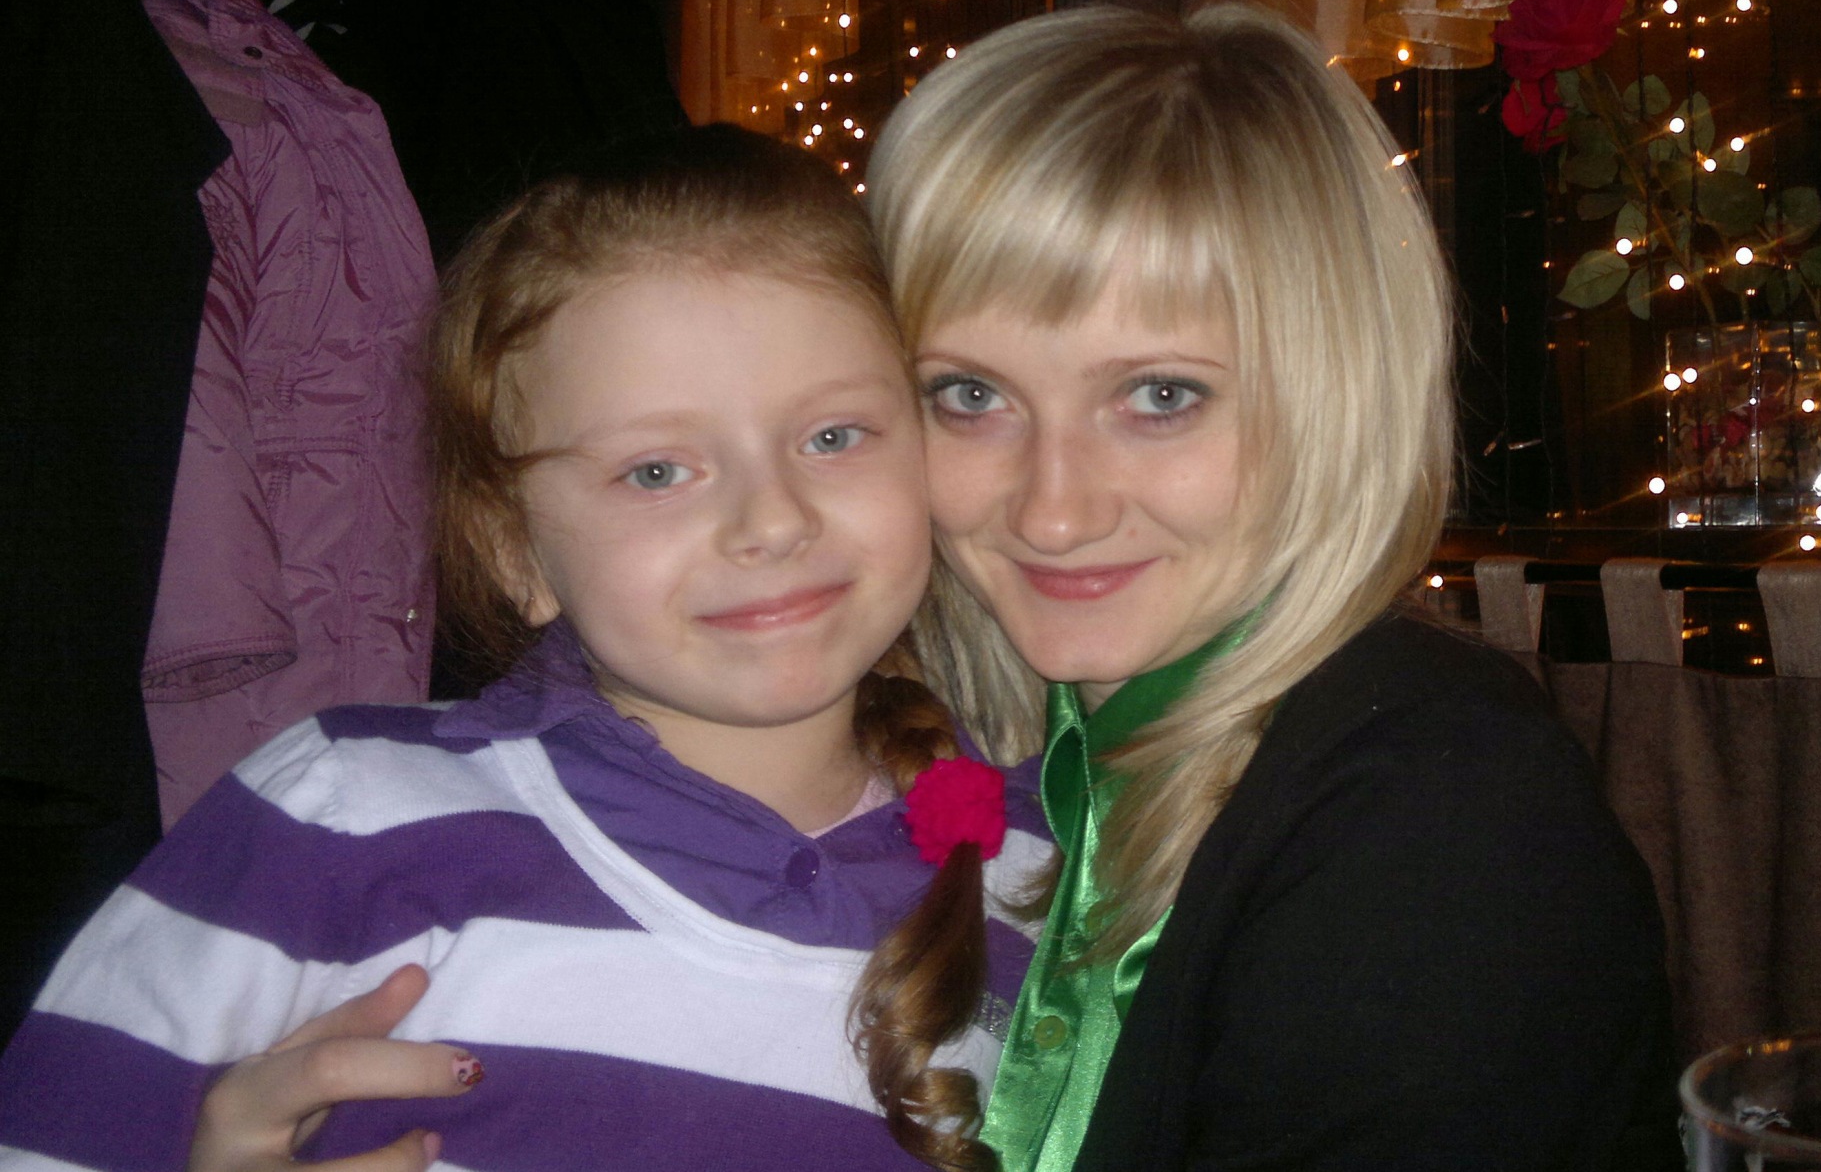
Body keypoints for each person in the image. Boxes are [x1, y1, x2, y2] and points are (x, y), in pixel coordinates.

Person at [169, 4, 1680, 1171]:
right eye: (968, 394)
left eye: (1160, 393)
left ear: (1333, 394)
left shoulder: (1435, 814)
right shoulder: (1000, 774)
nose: (1054, 502)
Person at [0, 127, 1050, 1172]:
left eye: (832, 436)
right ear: (516, 550)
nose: (772, 519)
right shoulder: (341, 816)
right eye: (655, 471)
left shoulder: (1048, 868)